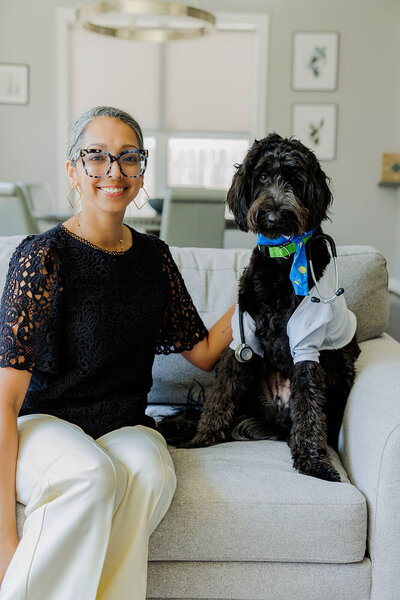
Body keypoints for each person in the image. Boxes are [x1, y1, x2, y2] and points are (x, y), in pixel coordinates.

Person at [0, 106, 235, 600]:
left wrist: (261, 288)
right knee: (92, 473)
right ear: (73, 170)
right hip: (45, 423)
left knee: (150, 470)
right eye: (96, 157)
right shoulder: (43, 257)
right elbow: (5, 400)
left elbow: (204, 352)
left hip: (124, 422)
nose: (114, 171)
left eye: (128, 157)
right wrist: (3, 540)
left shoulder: (154, 258)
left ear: (142, 169)